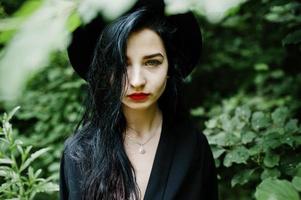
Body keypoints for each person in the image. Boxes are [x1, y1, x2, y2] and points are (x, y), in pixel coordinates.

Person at [60, 1, 218, 200]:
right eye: (120, 64)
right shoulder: (78, 154)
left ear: (170, 67)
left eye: (152, 62)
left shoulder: (193, 147)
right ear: (102, 72)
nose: (136, 81)